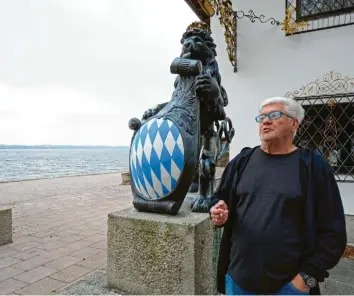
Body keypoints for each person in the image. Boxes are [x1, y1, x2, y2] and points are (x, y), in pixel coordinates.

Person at [209, 97, 347, 295]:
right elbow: (219, 198)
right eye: (262, 117)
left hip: (288, 288)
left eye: (274, 115)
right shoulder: (242, 160)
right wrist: (218, 210)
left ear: (294, 123)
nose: (266, 121)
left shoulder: (312, 166)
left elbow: (334, 232)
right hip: (238, 281)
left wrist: (306, 279)